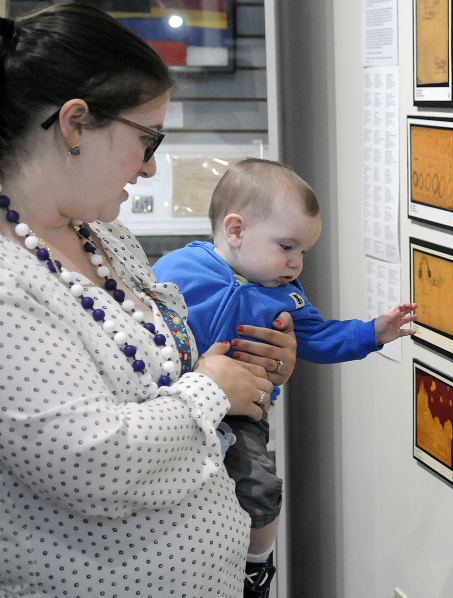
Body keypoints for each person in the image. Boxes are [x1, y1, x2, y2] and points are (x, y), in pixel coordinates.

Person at [0, 5, 299, 597]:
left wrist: (247, 365)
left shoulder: (104, 234)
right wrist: (214, 389)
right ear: (74, 125)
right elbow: (93, 462)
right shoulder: (10, 284)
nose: (150, 165)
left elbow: (166, 373)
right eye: (146, 138)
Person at [152, 158, 418, 597]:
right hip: (174, 402)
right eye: (286, 246)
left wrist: (373, 332)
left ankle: (256, 568)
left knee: (259, 487)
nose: (296, 263)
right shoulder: (179, 269)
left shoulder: (286, 298)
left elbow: (322, 336)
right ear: (235, 231)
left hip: (241, 415)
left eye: (303, 252)